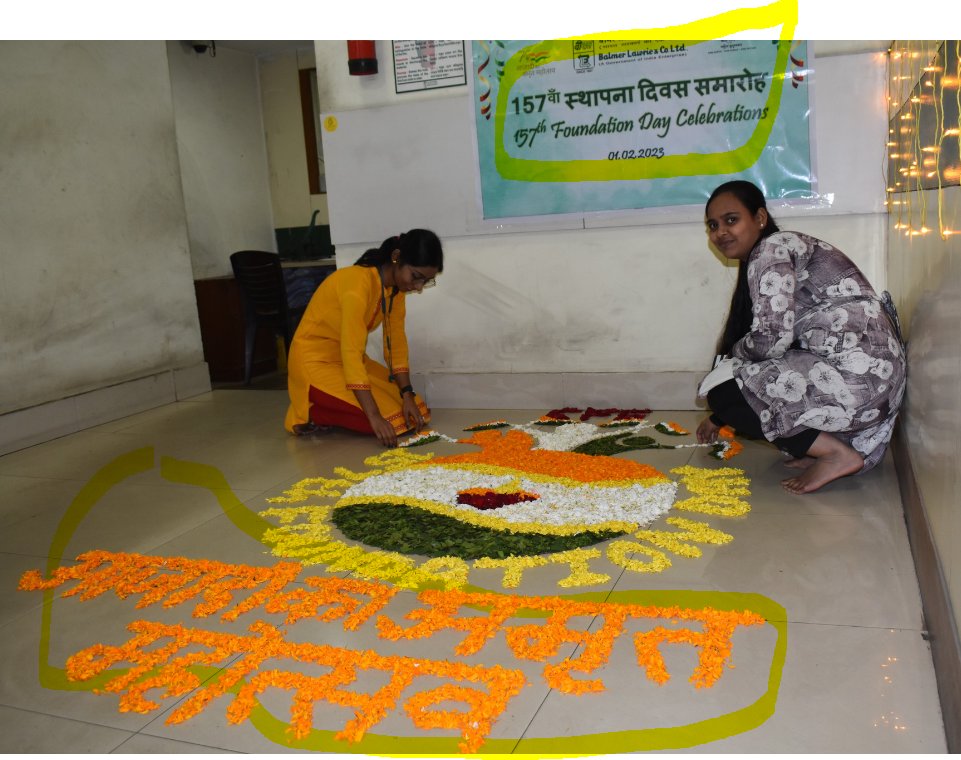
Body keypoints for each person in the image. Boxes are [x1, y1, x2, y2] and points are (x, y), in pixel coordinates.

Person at [696, 180, 906, 494]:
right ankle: (824, 450)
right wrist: (721, 415)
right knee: (742, 387)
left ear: (760, 218)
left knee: (723, 390)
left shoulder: (770, 250)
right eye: (713, 225)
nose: (720, 232)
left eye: (731, 220)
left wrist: (733, 361)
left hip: (861, 378)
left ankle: (836, 454)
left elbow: (772, 340)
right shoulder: (777, 249)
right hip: (879, 382)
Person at [284, 229, 443, 447]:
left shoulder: (395, 290)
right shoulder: (357, 285)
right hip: (315, 363)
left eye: (426, 281)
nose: (417, 287)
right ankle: (309, 409)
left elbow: (396, 344)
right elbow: (351, 351)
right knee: (387, 422)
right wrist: (374, 415)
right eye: (416, 277)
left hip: (350, 362)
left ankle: (336, 405)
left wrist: (407, 394)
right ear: (396, 258)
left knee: (418, 410)